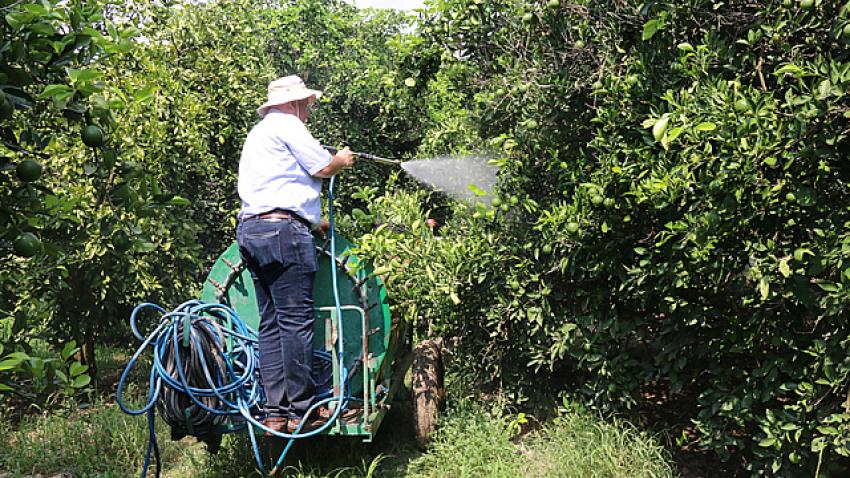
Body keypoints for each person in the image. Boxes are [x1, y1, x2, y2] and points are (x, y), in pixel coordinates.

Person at [236, 75, 354, 434]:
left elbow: (277, 185)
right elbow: (321, 167)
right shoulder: (288, 124)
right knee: (295, 323)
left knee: (270, 324)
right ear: (292, 103)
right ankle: (303, 411)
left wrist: (310, 220)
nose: (308, 110)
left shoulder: (258, 133)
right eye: (306, 104)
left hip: (252, 230)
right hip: (284, 232)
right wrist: (341, 160)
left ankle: (275, 412)